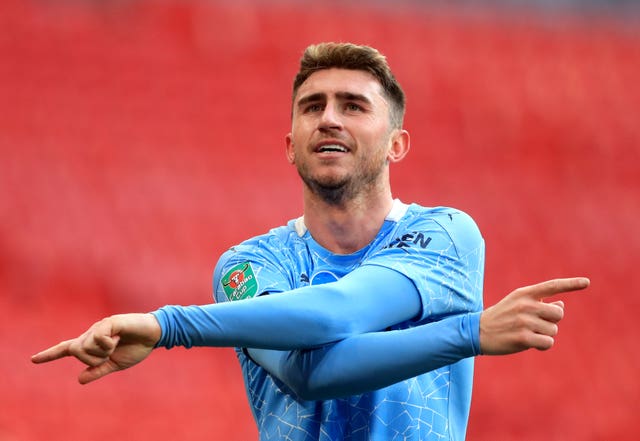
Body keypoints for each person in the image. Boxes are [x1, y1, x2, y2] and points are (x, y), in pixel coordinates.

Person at [32, 42, 589, 441]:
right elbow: (309, 372)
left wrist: (169, 326)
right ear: (290, 144)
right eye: (312, 106)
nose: (329, 119)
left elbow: (341, 313)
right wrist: (469, 333)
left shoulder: (445, 234)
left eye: (353, 105)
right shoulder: (247, 266)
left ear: (397, 144)